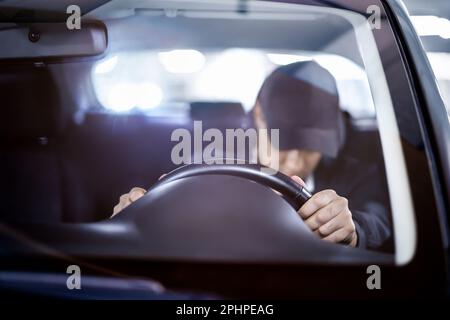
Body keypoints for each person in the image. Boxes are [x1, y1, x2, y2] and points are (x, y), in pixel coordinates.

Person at [112, 61, 392, 251]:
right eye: (283, 141)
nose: (294, 162)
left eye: (309, 147)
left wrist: (351, 230)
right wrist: (135, 217)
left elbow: (378, 223)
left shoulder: (357, 174)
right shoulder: (207, 166)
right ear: (258, 116)